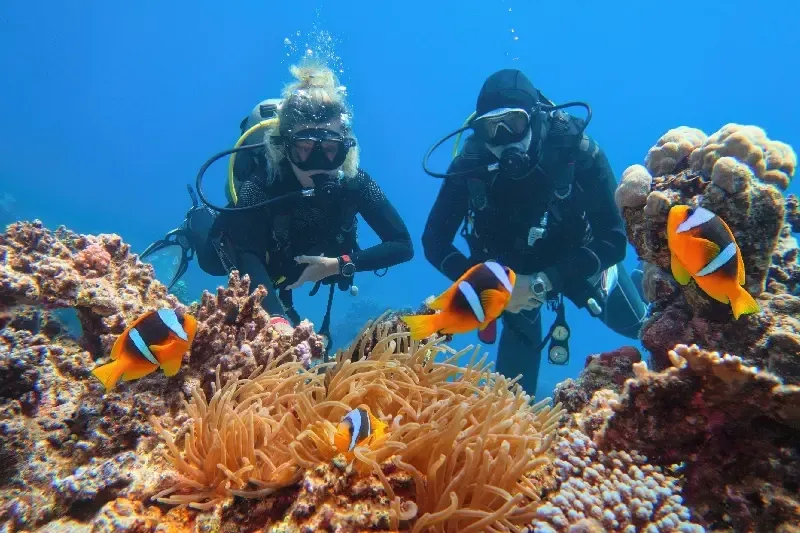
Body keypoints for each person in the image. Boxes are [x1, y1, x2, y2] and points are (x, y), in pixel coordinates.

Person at [141, 62, 414, 351]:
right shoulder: (263, 183)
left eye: (330, 150)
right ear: (285, 147)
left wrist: (339, 264)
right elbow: (246, 253)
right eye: (305, 149)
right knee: (212, 263)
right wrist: (277, 319)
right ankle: (196, 221)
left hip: (304, 257)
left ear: (345, 148)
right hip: (261, 248)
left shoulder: (355, 181)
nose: (318, 164)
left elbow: (402, 244)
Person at [420, 69, 647, 396]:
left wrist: (545, 281)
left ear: (535, 116)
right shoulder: (469, 166)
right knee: (513, 394)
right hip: (511, 284)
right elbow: (434, 241)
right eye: (490, 128)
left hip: (576, 261)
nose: (503, 139)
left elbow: (613, 240)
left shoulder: (576, 152)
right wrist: (487, 285)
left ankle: (644, 280)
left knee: (638, 326)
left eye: (513, 123)